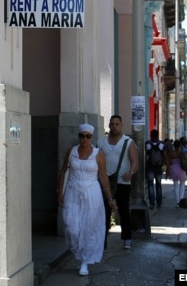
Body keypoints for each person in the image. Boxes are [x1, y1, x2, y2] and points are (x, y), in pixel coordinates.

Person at [57, 123, 117, 276]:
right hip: (72, 191)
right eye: (82, 136)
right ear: (79, 137)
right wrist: (59, 193)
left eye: (88, 136)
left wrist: (110, 197)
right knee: (71, 227)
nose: (85, 139)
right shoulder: (72, 151)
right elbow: (63, 171)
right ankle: (79, 252)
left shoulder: (98, 154)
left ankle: (85, 261)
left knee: (89, 228)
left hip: (92, 193)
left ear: (92, 137)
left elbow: (103, 177)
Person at [97, 115, 139, 250]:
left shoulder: (128, 142)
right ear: (109, 125)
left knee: (123, 211)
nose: (114, 126)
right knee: (104, 212)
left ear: (121, 125)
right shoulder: (101, 143)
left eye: (117, 124)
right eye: (112, 124)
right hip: (105, 182)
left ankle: (127, 238)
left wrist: (131, 172)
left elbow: (135, 162)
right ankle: (102, 242)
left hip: (122, 182)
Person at [145, 129, 166, 210]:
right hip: (159, 168)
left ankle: (152, 203)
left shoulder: (147, 144)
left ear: (150, 135)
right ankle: (159, 203)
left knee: (150, 185)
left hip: (150, 168)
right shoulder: (162, 144)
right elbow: (165, 155)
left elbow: (145, 156)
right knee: (158, 185)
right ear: (157, 135)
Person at [165, 140, 187, 207]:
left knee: (176, 186)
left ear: (174, 146)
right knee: (182, 185)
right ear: (180, 145)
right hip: (181, 170)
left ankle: (177, 202)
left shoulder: (171, 153)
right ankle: (181, 201)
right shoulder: (182, 153)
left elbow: (168, 163)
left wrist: (167, 172)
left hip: (174, 169)